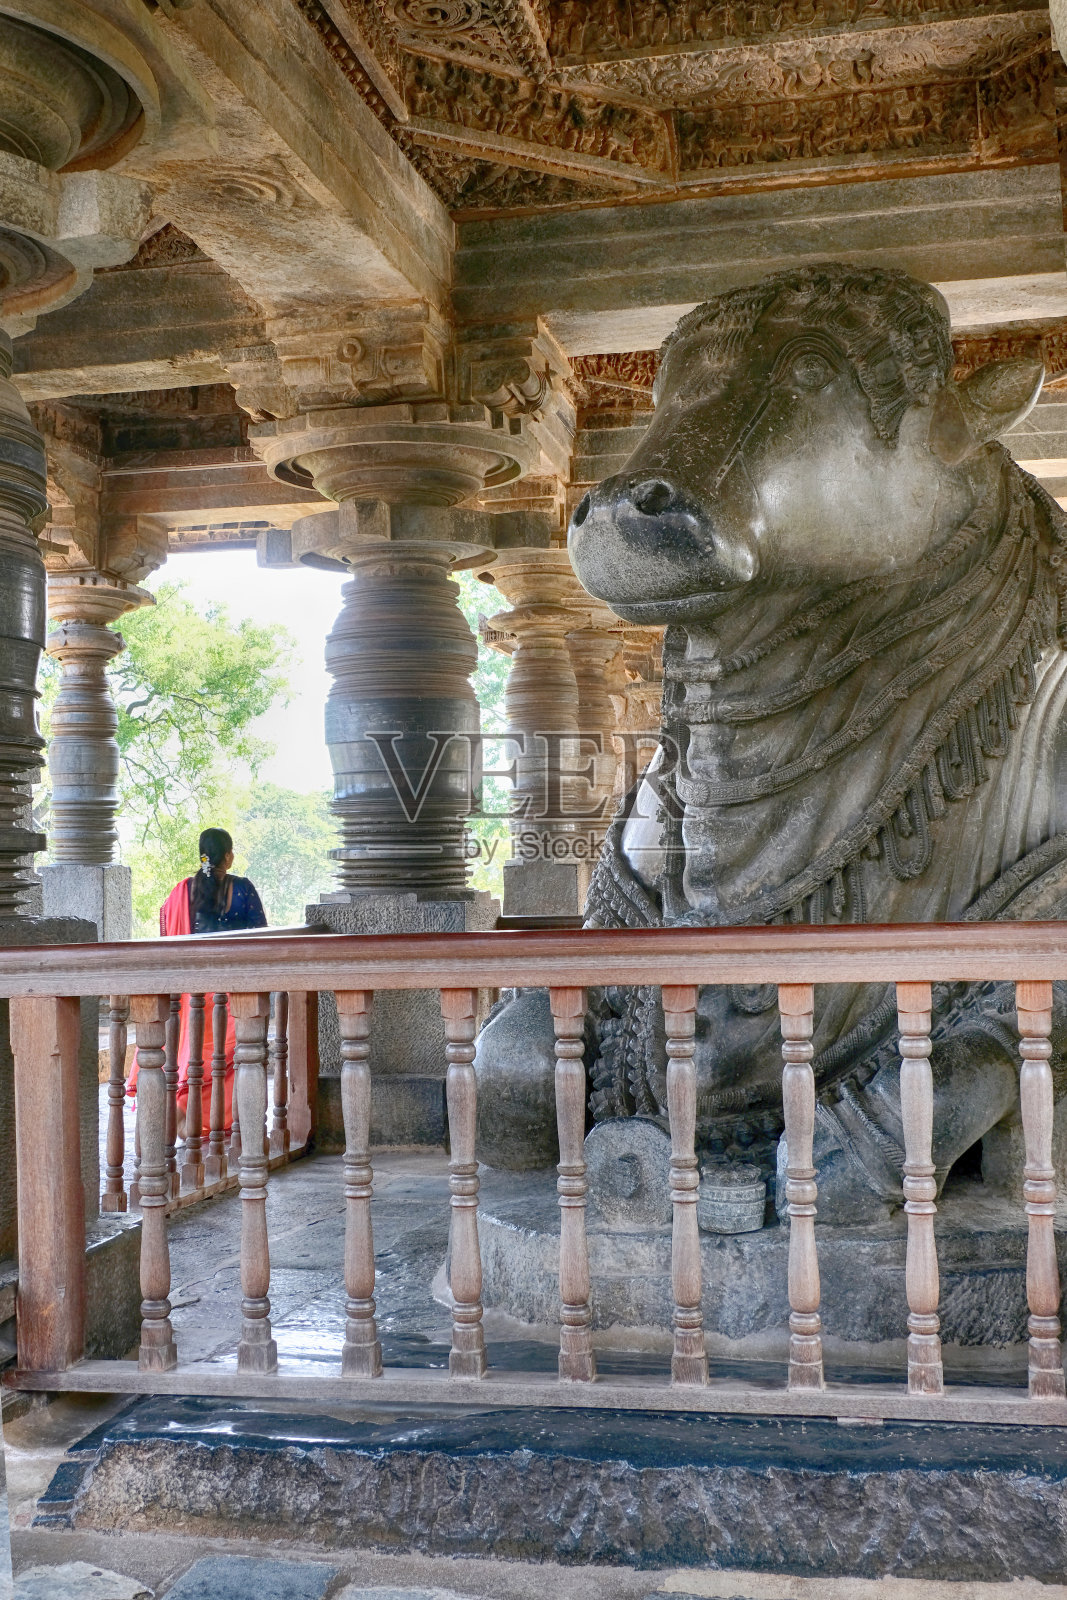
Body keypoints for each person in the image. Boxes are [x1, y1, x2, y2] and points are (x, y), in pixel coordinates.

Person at [131, 829, 267, 1136]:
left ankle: (178, 1120)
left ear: (202, 856)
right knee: (227, 1061)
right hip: (231, 995)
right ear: (229, 857)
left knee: (190, 1061)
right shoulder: (242, 889)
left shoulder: (182, 892)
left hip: (191, 993)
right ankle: (198, 1120)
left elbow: (167, 936)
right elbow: (262, 936)